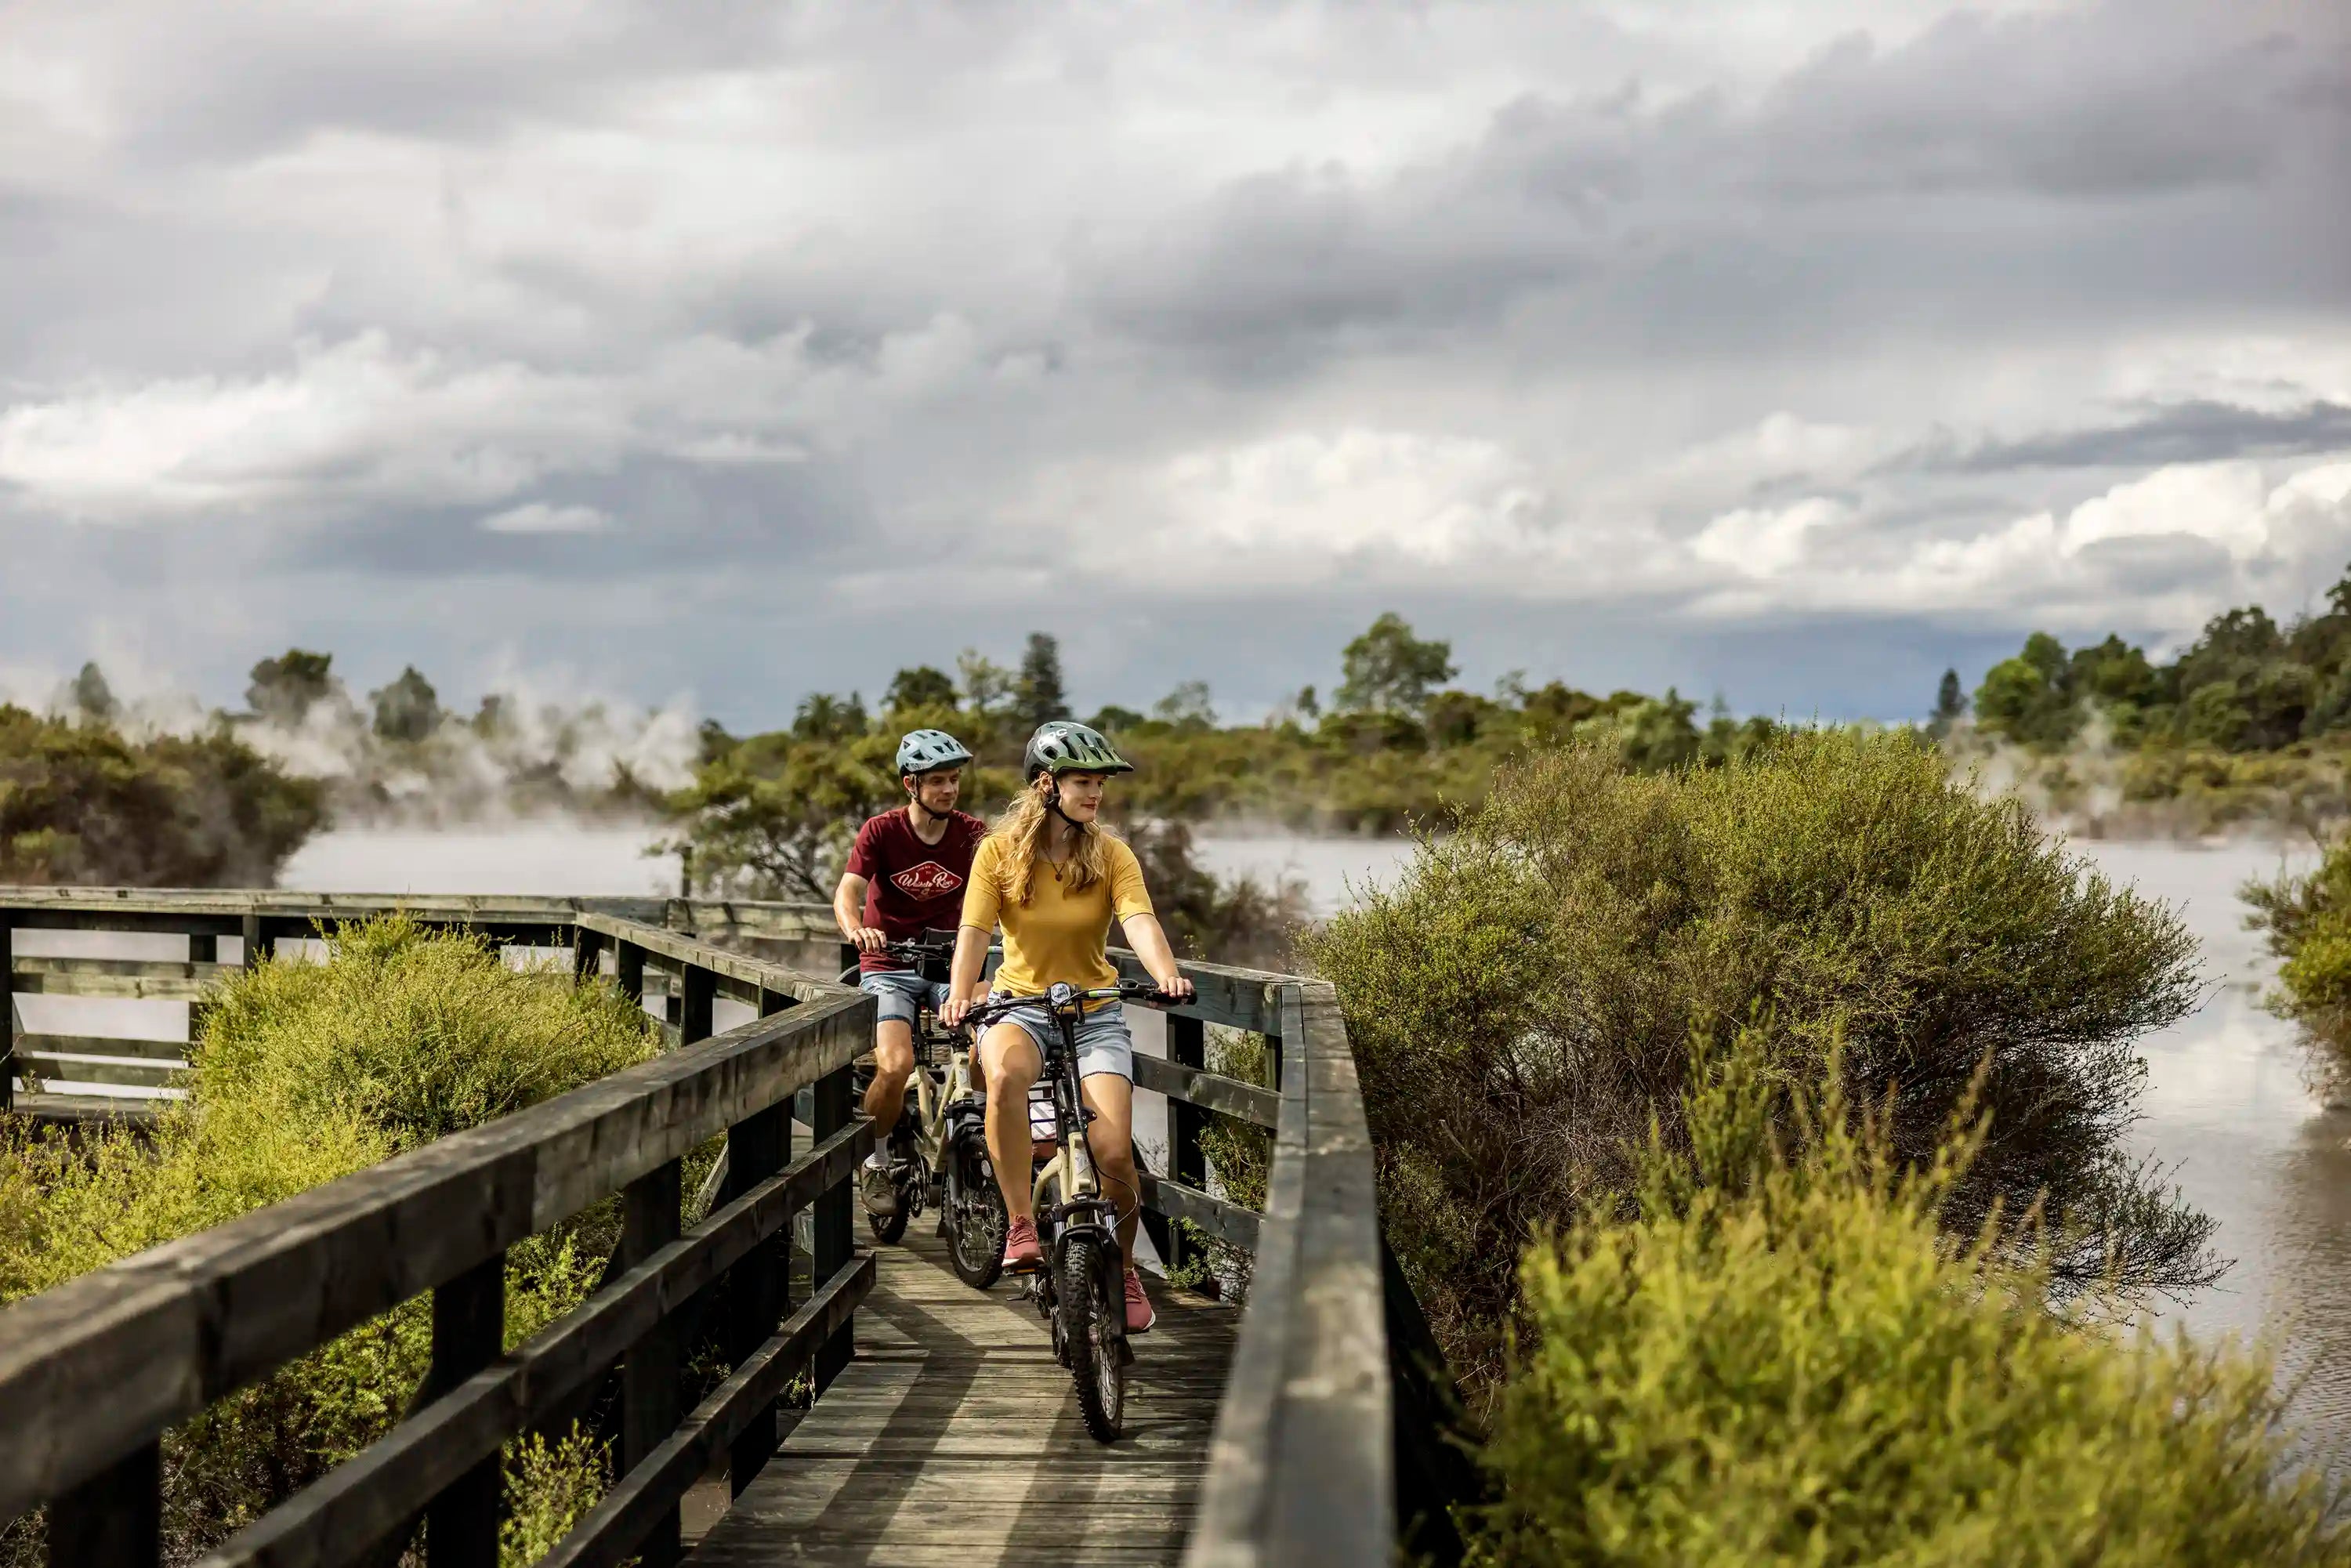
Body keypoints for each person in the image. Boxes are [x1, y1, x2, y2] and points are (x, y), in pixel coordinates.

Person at [941, 720, 1195, 1334]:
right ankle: (1022, 1222)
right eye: (1084, 781)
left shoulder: (1112, 854)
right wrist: (957, 994)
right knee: (1003, 1076)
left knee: (1112, 1152)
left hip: (1095, 1011)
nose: (1096, 793)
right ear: (1047, 784)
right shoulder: (998, 853)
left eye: (1101, 782)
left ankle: (1126, 1269)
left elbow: (1139, 920)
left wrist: (1168, 974)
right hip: (1018, 1006)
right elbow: (974, 932)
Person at [834, 728, 984, 1219]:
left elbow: (1011, 887)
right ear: (910, 785)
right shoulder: (881, 831)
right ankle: (876, 1160)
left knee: (997, 1035)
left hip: (951, 966)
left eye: (954, 779)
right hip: (889, 965)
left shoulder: (974, 834)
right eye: (937, 780)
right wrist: (858, 929)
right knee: (895, 1065)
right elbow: (849, 891)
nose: (948, 790)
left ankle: (987, 1137)